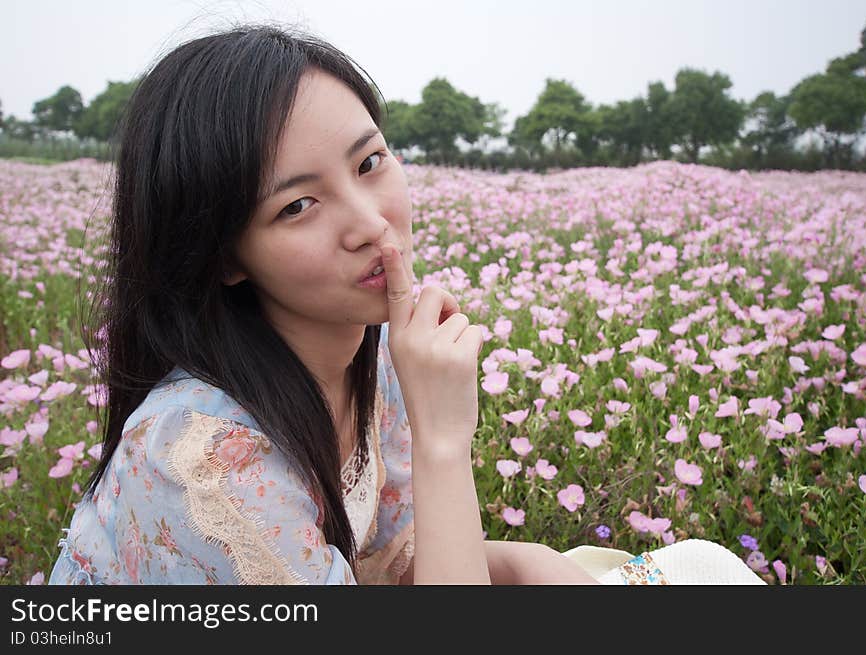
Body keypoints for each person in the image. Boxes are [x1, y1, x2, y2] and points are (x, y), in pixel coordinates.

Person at [47, 24, 763, 586]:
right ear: (225, 255)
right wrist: (444, 440)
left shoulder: (372, 346)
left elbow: (394, 563)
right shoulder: (202, 463)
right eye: (298, 204)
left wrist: (527, 560)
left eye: (369, 162)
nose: (371, 223)